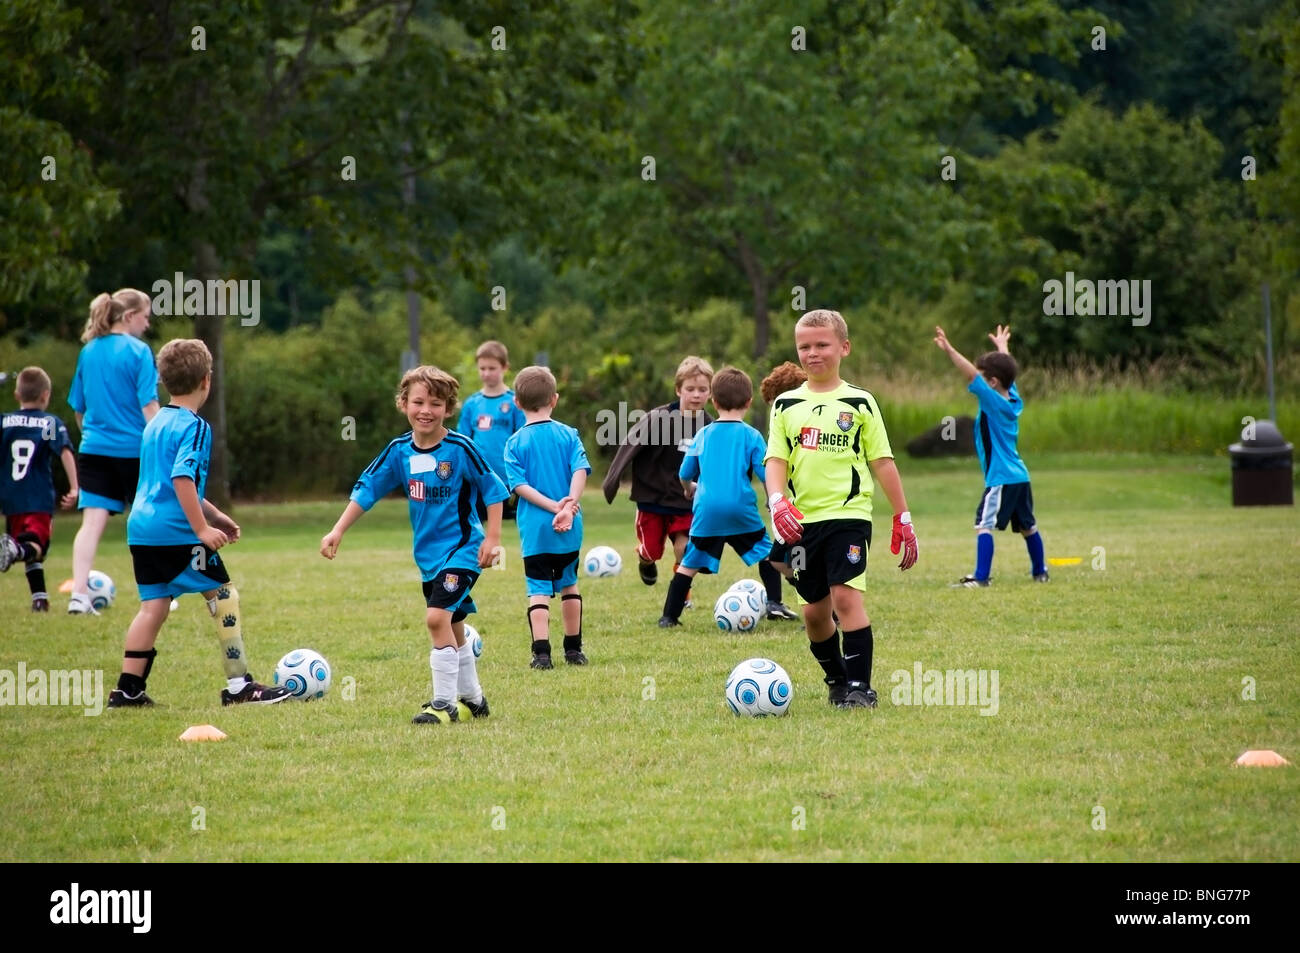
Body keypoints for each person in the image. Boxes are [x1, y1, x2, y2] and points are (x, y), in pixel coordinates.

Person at [107, 339, 291, 708]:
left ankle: (127, 691)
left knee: (153, 607)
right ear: (206, 380)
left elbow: (166, 483)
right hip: (175, 532)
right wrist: (201, 530)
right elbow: (181, 480)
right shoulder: (196, 427)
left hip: (142, 530)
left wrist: (216, 516)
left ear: (163, 381)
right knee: (223, 595)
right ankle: (240, 687)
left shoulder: (156, 422)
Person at [321, 365, 507, 724]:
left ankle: (443, 704)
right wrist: (337, 530)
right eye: (418, 401)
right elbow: (368, 489)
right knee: (453, 625)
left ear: (448, 409)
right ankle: (475, 700)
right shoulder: (398, 451)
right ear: (403, 404)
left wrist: (494, 539)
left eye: (435, 403)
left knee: (436, 618)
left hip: (464, 548)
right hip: (428, 557)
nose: (426, 410)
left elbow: (493, 489)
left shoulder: (461, 448)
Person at [765, 309, 919, 710]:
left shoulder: (860, 402)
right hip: (799, 523)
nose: (813, 353)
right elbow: (775, 461)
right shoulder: (784, 405)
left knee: (846, 599)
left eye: (822, 345)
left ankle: (860, 688)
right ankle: (836, 681)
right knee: (815, 614)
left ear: (843, 348)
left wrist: (902, 516)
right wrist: (777, 501)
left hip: (848, 517)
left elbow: (882, 461)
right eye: (804, 346)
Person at [933, 324, 1048, 586]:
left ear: (992, 383)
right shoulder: (1012, 398)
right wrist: (1002, 348)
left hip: (1002, 477)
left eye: (985, 379)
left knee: (983, 524)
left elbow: (971, 374)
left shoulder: (992, 401)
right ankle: (1040, 572)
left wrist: (950, 350)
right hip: (1020, 476)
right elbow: (1008, 374)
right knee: (1028, 526)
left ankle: (981, 578)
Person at [67, 289, 159, 615]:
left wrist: (93, 436)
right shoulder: (139, 352)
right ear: (129, 315)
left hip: (92, 449)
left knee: (91, 524)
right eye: (145, 317)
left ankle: (78, 595)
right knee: (146, 521)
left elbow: (79, 410)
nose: (147, 325)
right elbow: (148, 405)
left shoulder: (88, 351)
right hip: (135, 451)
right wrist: (165, 441)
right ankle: (157, 593)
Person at [657, 367, 772, 628]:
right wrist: (770, 499)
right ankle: (775, 603)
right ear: (749, 402)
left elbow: (685, 472)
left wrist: (688, 488)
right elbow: (766, 474)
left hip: (707, 511)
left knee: (688, 564)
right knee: (767, 555)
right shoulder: (752, 436)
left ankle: (669, 617)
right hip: (741, 509)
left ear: (714, 401)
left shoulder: (703, 434)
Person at [602, 356, 713, 603]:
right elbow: (629, 445)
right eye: (690, 389)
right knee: (652, 551)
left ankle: (680, 594)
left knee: (684, 549)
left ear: (710, 392)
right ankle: (644, 560)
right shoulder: (658, 418)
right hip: (652, 499)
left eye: (702, 390)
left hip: (686, 499)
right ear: (678, 389)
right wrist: (612, 480)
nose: (696, 395)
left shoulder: (710, 427)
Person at [502, 365, 592, 669]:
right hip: (570, 524)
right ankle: (574, 650)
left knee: (537, 587)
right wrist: (568, 505)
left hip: (536, 528)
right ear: (554, 399)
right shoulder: (568, 434)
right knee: (569, 583)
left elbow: (519, 486)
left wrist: (553, 507)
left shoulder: (514, 443)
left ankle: (541, 654)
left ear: (517, 402)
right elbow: (580, 470)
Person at [0, 367, 79, 611]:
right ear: (45, 395)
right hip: (37, 497)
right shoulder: (48, 422)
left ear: (17, 395)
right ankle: (15, 550)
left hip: (10, 498)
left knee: (28, 545)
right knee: (36, 546)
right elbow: (64, 450)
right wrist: (75, 487)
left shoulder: (4, 421)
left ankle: (40, 599)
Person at [457, 340, 526, 520]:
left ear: (505, 367)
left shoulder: (515, 403)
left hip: (508, 480)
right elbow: (462, 443)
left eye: (492, 368)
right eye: (482, 368)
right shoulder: (472, 404)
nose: (486, 373)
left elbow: (522, 440)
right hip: (479, 480)